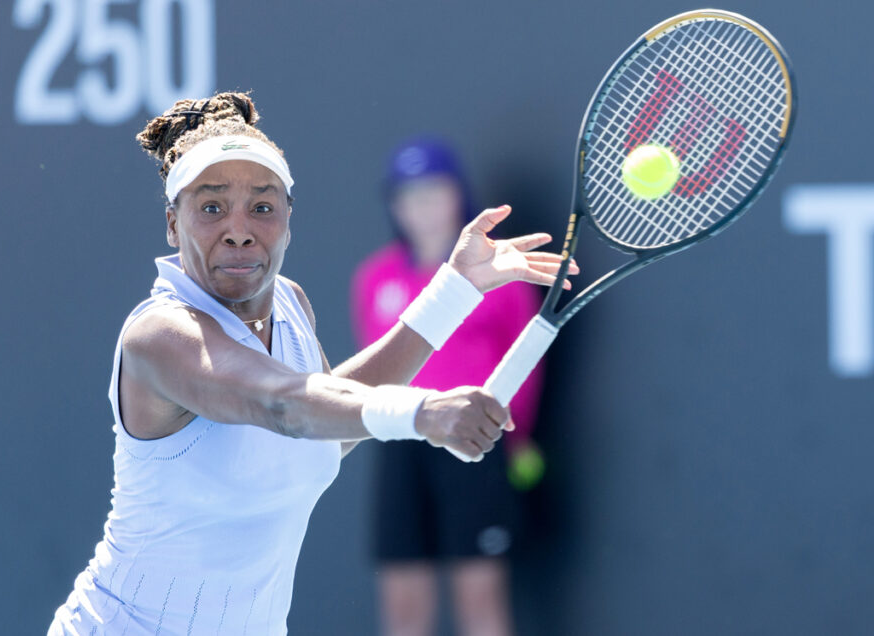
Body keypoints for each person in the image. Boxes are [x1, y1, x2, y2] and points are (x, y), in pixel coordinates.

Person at [47, 92, 575, 635]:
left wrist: (455, 290)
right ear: (171, 224)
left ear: (288, 220)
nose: (238, 228)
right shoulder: (159, 336)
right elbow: (282, 404)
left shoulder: (292, 306)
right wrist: (424, 411)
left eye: (262, 206)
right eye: (210, 207)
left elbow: (322, 430)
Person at [352, 138, 545, 636]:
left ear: (459, 196)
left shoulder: (502, 276)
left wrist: (511, 439)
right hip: (399, 442)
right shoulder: (375, 278)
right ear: (395, 207)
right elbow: (375, 369)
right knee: (402, 602)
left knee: (479, 597)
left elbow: (524, 367)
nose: (423, 207)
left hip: (475, 445)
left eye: (435, 192)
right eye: (410, 196)